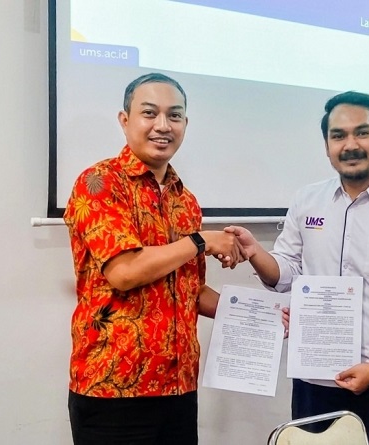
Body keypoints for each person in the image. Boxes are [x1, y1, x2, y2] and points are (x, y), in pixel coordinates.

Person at [227, 91, 369, 445]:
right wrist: (255, 252)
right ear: (327, 145)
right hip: (314, 380)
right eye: (338, 135)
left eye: (362, 133)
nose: (350, 145)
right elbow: (287, 272)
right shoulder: (307, 201)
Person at [63, 72, 245, 444]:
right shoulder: (99, 182)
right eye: (150, 113)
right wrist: (201, 240)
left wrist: (260, 313)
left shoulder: (185, 200)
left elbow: (191, 291)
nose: (163, 125)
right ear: (124, 120)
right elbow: (125, 272)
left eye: (174, 116)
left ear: (185, 124)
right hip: (113, 391)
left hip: (178, 389)